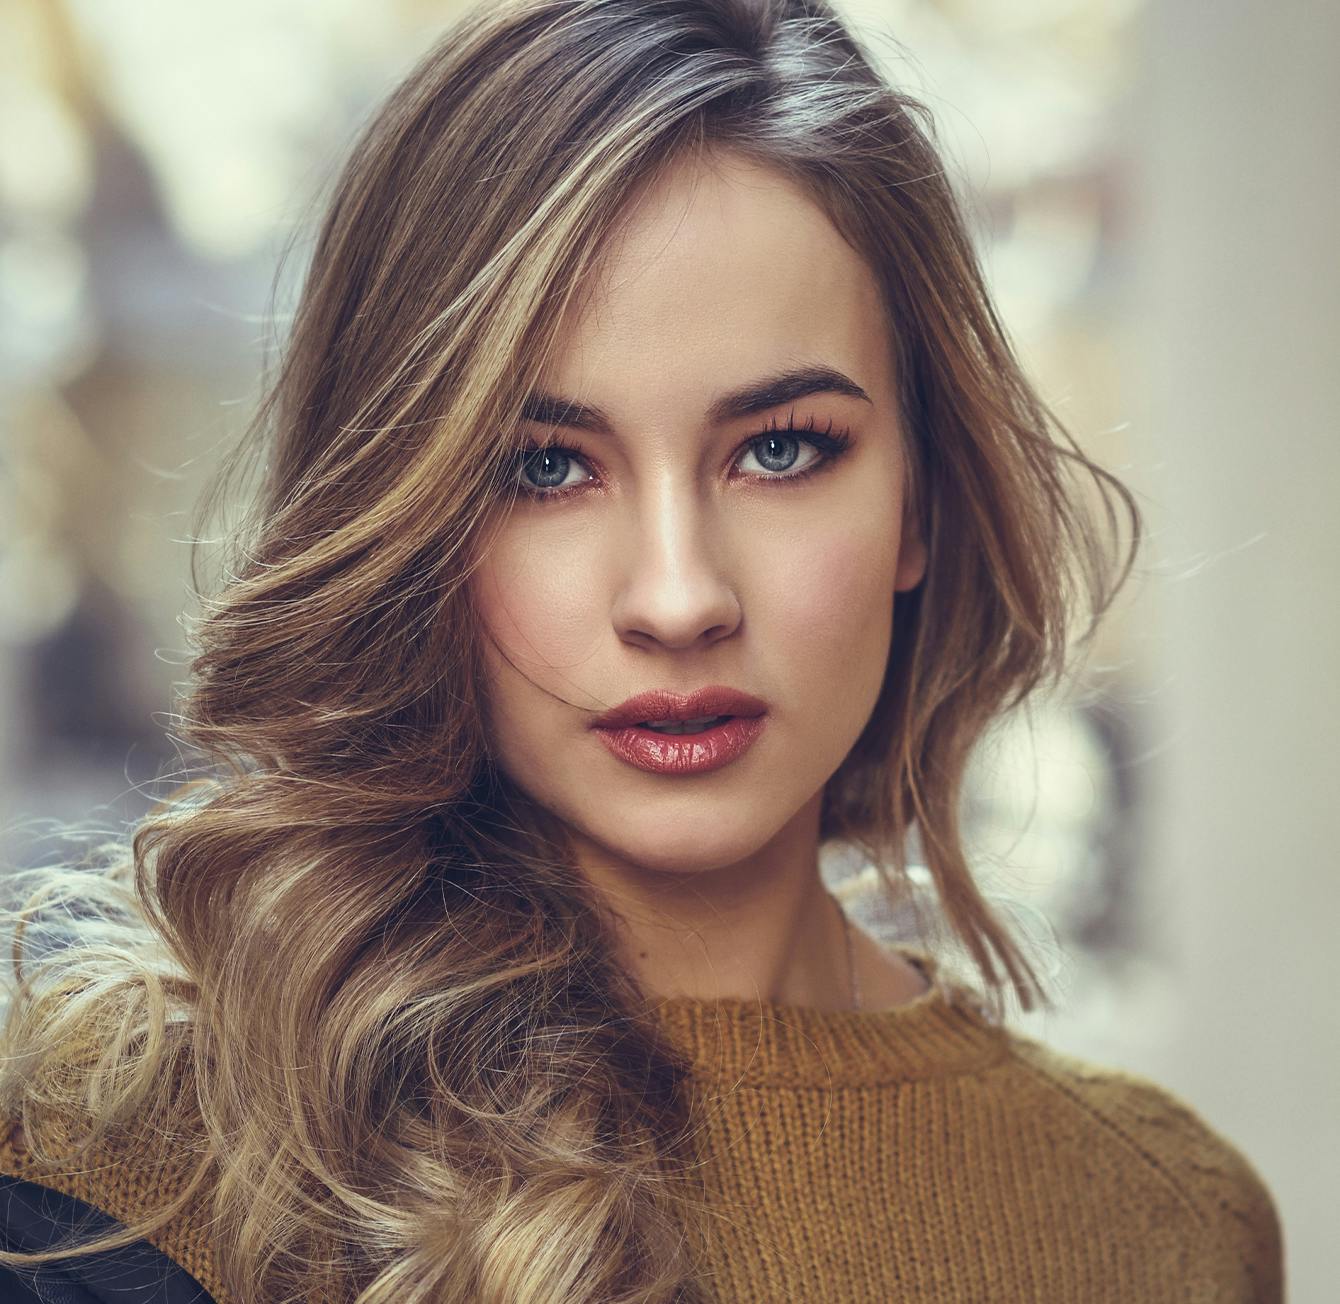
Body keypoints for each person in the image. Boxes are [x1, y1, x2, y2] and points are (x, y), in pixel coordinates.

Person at [0, 1, 1283, 1301]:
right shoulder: (110, 1188)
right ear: (410, 513)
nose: (678, 598)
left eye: (782, 449)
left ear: (922, 501)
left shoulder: (1163, 1222)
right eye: (546, 466)